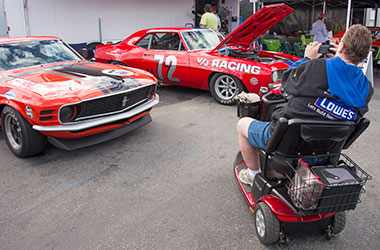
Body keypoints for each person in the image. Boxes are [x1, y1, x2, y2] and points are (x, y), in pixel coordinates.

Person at [237, 24, 374, 186]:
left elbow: (284, 83)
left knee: (242, 124)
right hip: (327, 151)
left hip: (288, 146)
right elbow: (342, 82)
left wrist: (307, 58)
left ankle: (253, 174)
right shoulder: (367, 89)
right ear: (365, 56)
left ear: (341, 45)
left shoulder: (315, 67)